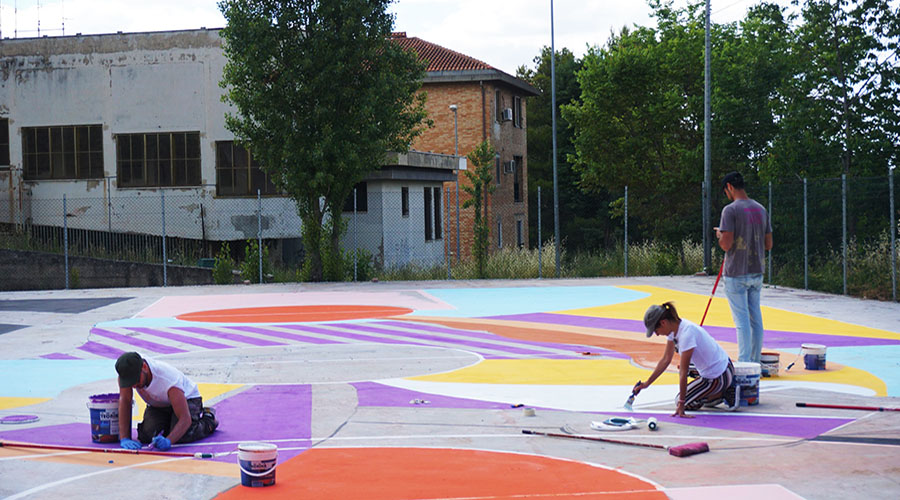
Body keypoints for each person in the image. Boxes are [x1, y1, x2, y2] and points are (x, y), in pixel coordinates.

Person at [633, 302, 736, 417]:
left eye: (656, 331)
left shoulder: (686, 335)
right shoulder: (675, 329)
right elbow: (666, 359)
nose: (657, 334)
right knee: (684, 371)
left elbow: (683, 372)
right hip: (722, 365)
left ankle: (722, 393)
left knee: (683, 401)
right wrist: (647, 383)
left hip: (718, 376)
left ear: (663, 323)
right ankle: (714, 392)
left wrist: (682, 404)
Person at [716, 171, 773, 363]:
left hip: (736, 273)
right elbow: (769, 244)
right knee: (755, 319)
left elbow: (726, 244)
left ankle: (744, 364)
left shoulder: (730, 211)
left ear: (730, 187)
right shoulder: (760, 209)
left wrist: (720, 235)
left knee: (741, 322)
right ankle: (755, 362)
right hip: (757, 270)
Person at [115, 352, 218, 450]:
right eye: (130, 383)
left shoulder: (169, 380)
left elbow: (185, 419)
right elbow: (125, 401)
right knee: (147, 435)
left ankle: (208, 419)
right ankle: (170, 422)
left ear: (144, 368)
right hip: (159, 403)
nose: (133, 386)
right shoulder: (127, 372)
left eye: (136, 381)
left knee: (183, 434)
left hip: (187, 399)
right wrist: (125, 437)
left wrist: (169, 440)